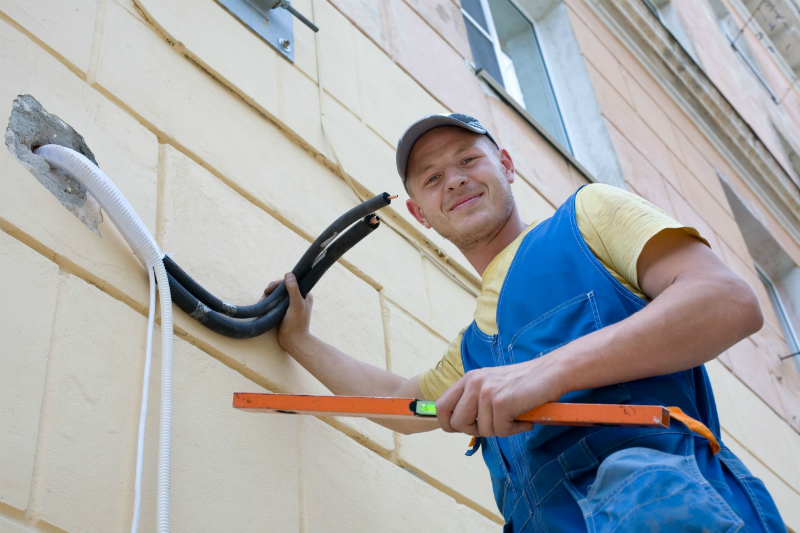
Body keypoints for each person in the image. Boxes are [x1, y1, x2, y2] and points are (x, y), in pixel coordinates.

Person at [266, 113, 787, 532]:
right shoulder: (475, 351)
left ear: (507, 165)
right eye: (432, 178)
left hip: (668, 511)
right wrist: (300, 341)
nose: (455, 180)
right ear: (420, 213)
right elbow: (404, 404)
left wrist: (545, 373)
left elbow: (726, 302)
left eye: (469, 159)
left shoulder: (588, 217)